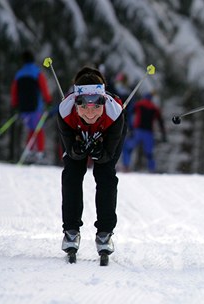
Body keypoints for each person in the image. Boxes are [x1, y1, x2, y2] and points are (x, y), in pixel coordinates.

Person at [57, 66, 126, 263]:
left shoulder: (114, 113)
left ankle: (105, 232)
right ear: (75, 103)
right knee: (72, 174)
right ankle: (71, 230)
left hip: (108, 133)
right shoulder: (65, 111)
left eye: (96, 106)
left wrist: (101, 153)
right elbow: (70, 150)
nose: (89, 112)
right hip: (75, 132)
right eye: (83, 106)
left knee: (105, 176)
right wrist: (76, 151)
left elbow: (108, 154)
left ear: (104, 102)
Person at [10, 50, 52, 163]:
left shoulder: (19, 74)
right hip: (35, 107)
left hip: (23, 108)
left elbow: (14, 91)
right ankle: (39, 153)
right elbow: (44, 87)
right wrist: (48, 100)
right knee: (39, 129)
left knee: (31, 129)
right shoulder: (37, 72)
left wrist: (15, 104)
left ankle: (29, 152)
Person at [122, 92, 166, 172]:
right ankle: (152, 170)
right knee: (149, 154)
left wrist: (130, 127)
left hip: (138, 131)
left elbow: (129, 114)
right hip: (149, 133)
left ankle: (126, 166)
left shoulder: (139, 104)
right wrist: (163, 134)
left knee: (128, 148)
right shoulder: (154, 108)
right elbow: (160, 121)